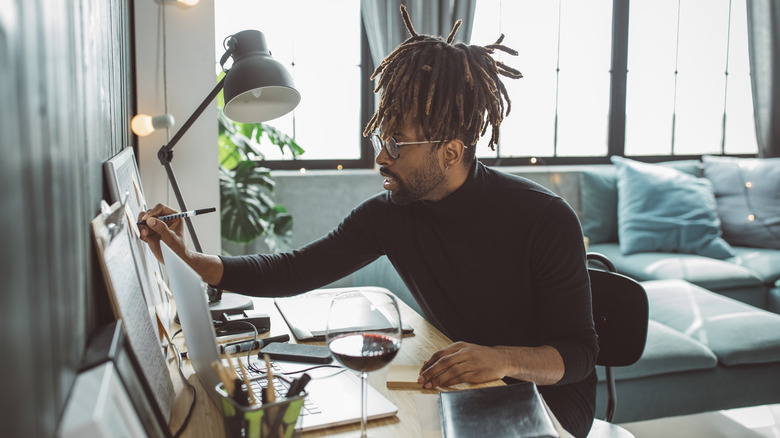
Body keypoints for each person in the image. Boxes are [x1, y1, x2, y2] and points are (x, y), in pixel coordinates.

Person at [140, 6, 597, 437]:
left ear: (451, 151)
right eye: (382, 138)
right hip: (459, 382)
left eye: (397, 144)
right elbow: (295, 269)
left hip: (544, 401)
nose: (381, 156)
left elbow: (578, 356)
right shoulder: (392, 215)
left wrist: (500, 360)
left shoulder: (543, 218)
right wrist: (193, 260)